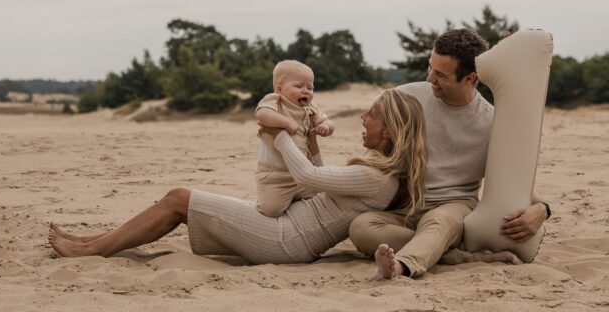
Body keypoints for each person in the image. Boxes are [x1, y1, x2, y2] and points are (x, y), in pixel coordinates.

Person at [48, 89, 427, 264]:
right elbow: (317, 181)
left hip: (285, 240)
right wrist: (310, 140)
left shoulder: (378, 179)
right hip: (288, 227)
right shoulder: (378, 175)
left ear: (389, 129)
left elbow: (308, 177)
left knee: (179, 198)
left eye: (371, 114)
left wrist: (277, 133)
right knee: (180, 202)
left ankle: (93, 250)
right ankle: (92, 241)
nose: (363, 118)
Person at [348, 29, 550, 280]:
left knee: (440, 222)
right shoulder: (406, 97)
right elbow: (375, 151)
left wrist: (543, 208)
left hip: (453, 206)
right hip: (406, 206)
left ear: (470, 78)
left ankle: (401, 266)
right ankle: (452, 255)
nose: (430, 78)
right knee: (361, 228)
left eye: (441, 74)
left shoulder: (492, 124)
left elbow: (514, 179)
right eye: (430, 67)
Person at [254, 60, 335, 217]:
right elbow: (262, 114)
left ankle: (294, 210)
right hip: (276, 176)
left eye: (310, 87)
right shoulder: (275, 101)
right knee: (271, 209)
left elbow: (329, 122)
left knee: (319, 197)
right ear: (279, 89)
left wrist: (326, 126)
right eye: (299, 86)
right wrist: (285, 122)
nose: (306, 91)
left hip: (302, 173)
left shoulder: (310, 108)